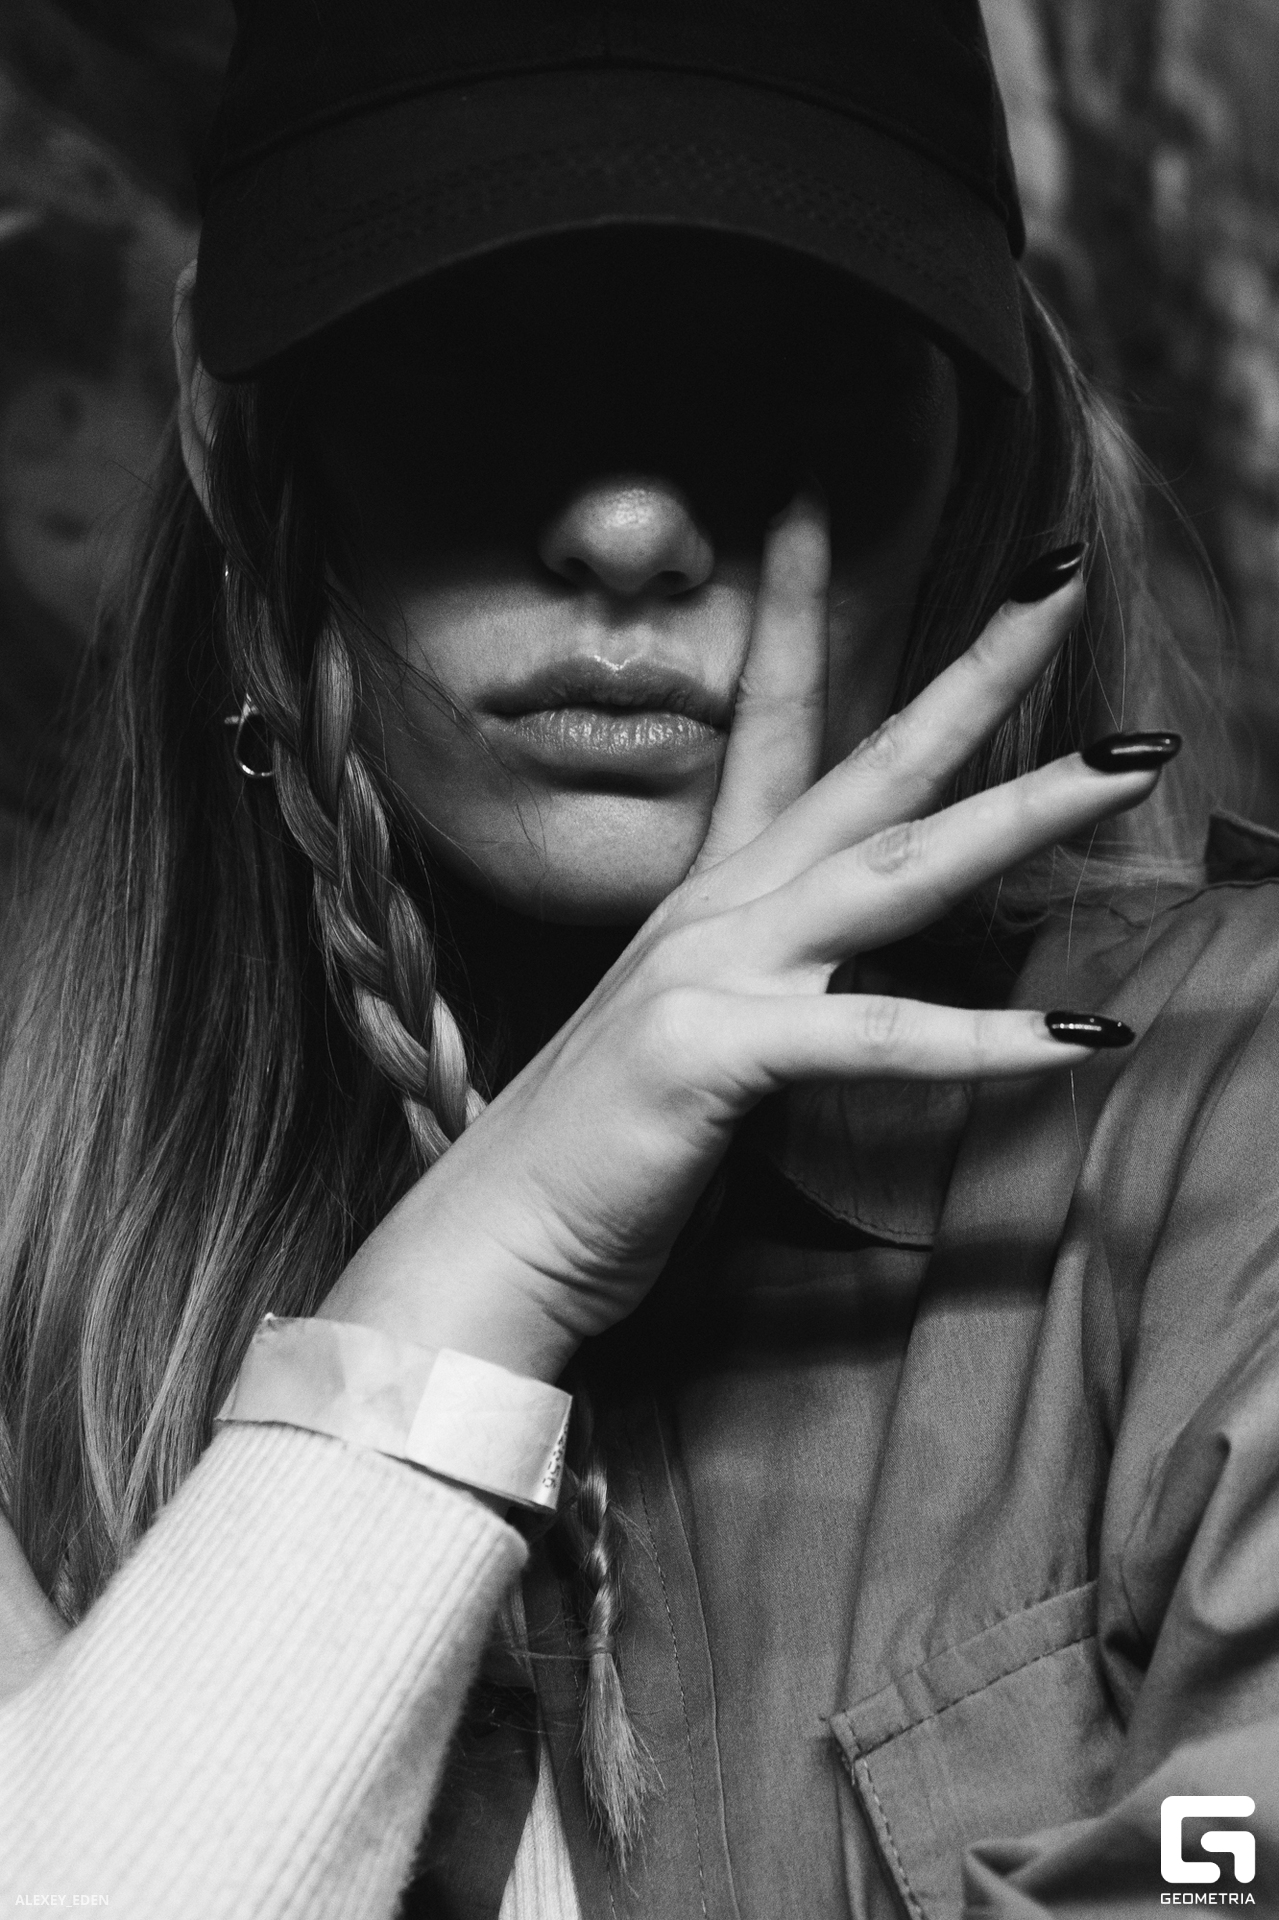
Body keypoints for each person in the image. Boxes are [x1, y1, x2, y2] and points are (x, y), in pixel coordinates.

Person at [1, 2, 1277, 1916]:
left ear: (976, 443)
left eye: (778, 365)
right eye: (478, 346)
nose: (627, 527)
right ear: (228, 421)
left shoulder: (1233, 1119)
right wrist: (461, 1299)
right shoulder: (32, 1289)